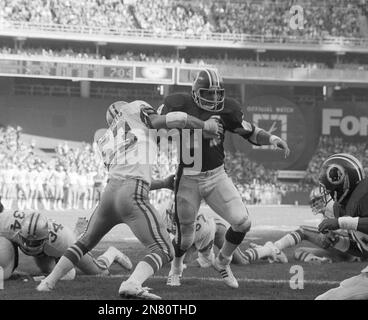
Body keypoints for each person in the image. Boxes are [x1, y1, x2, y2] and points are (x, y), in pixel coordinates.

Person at [36, 99, 221, 299]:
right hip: (132, 193)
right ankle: (132, 283)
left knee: (84, 243)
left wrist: (164, 183)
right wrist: (204, 125)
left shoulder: (105, 140)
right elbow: (171, 119)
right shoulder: (134, 108)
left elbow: (125, 172)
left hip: (109, 194)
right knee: (165, 249)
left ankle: (48, 282)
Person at [159, 68, 290, 288]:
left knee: (243, 222)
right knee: (186, 237)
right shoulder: (178, 103)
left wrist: (272, 138)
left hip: (216, 176)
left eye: (217, 93)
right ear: (196, 91)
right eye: (208, 93)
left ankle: (223, 261)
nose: (214, 98)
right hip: (188, 178)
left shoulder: (227, 109)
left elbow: (248, 131)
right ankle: (175, 268)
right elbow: (158, 119)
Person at [0, 180, 132, 282]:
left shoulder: (62, 241)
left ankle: (112, 253)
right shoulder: (4, 223)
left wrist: (50, 279)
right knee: (45, 269)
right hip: (35, 238)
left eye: (35, 243)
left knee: (96, 273)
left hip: (64, 242)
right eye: (27, 241)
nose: (29, 246)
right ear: (20, 233)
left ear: (44, 240)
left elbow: (64, 271)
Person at [312, 153, 368, 300]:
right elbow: (364, 251)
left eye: (329, 189)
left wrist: (340, 222)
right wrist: (338, 242)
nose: (328, 193)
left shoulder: (364, 194)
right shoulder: (344, 207)